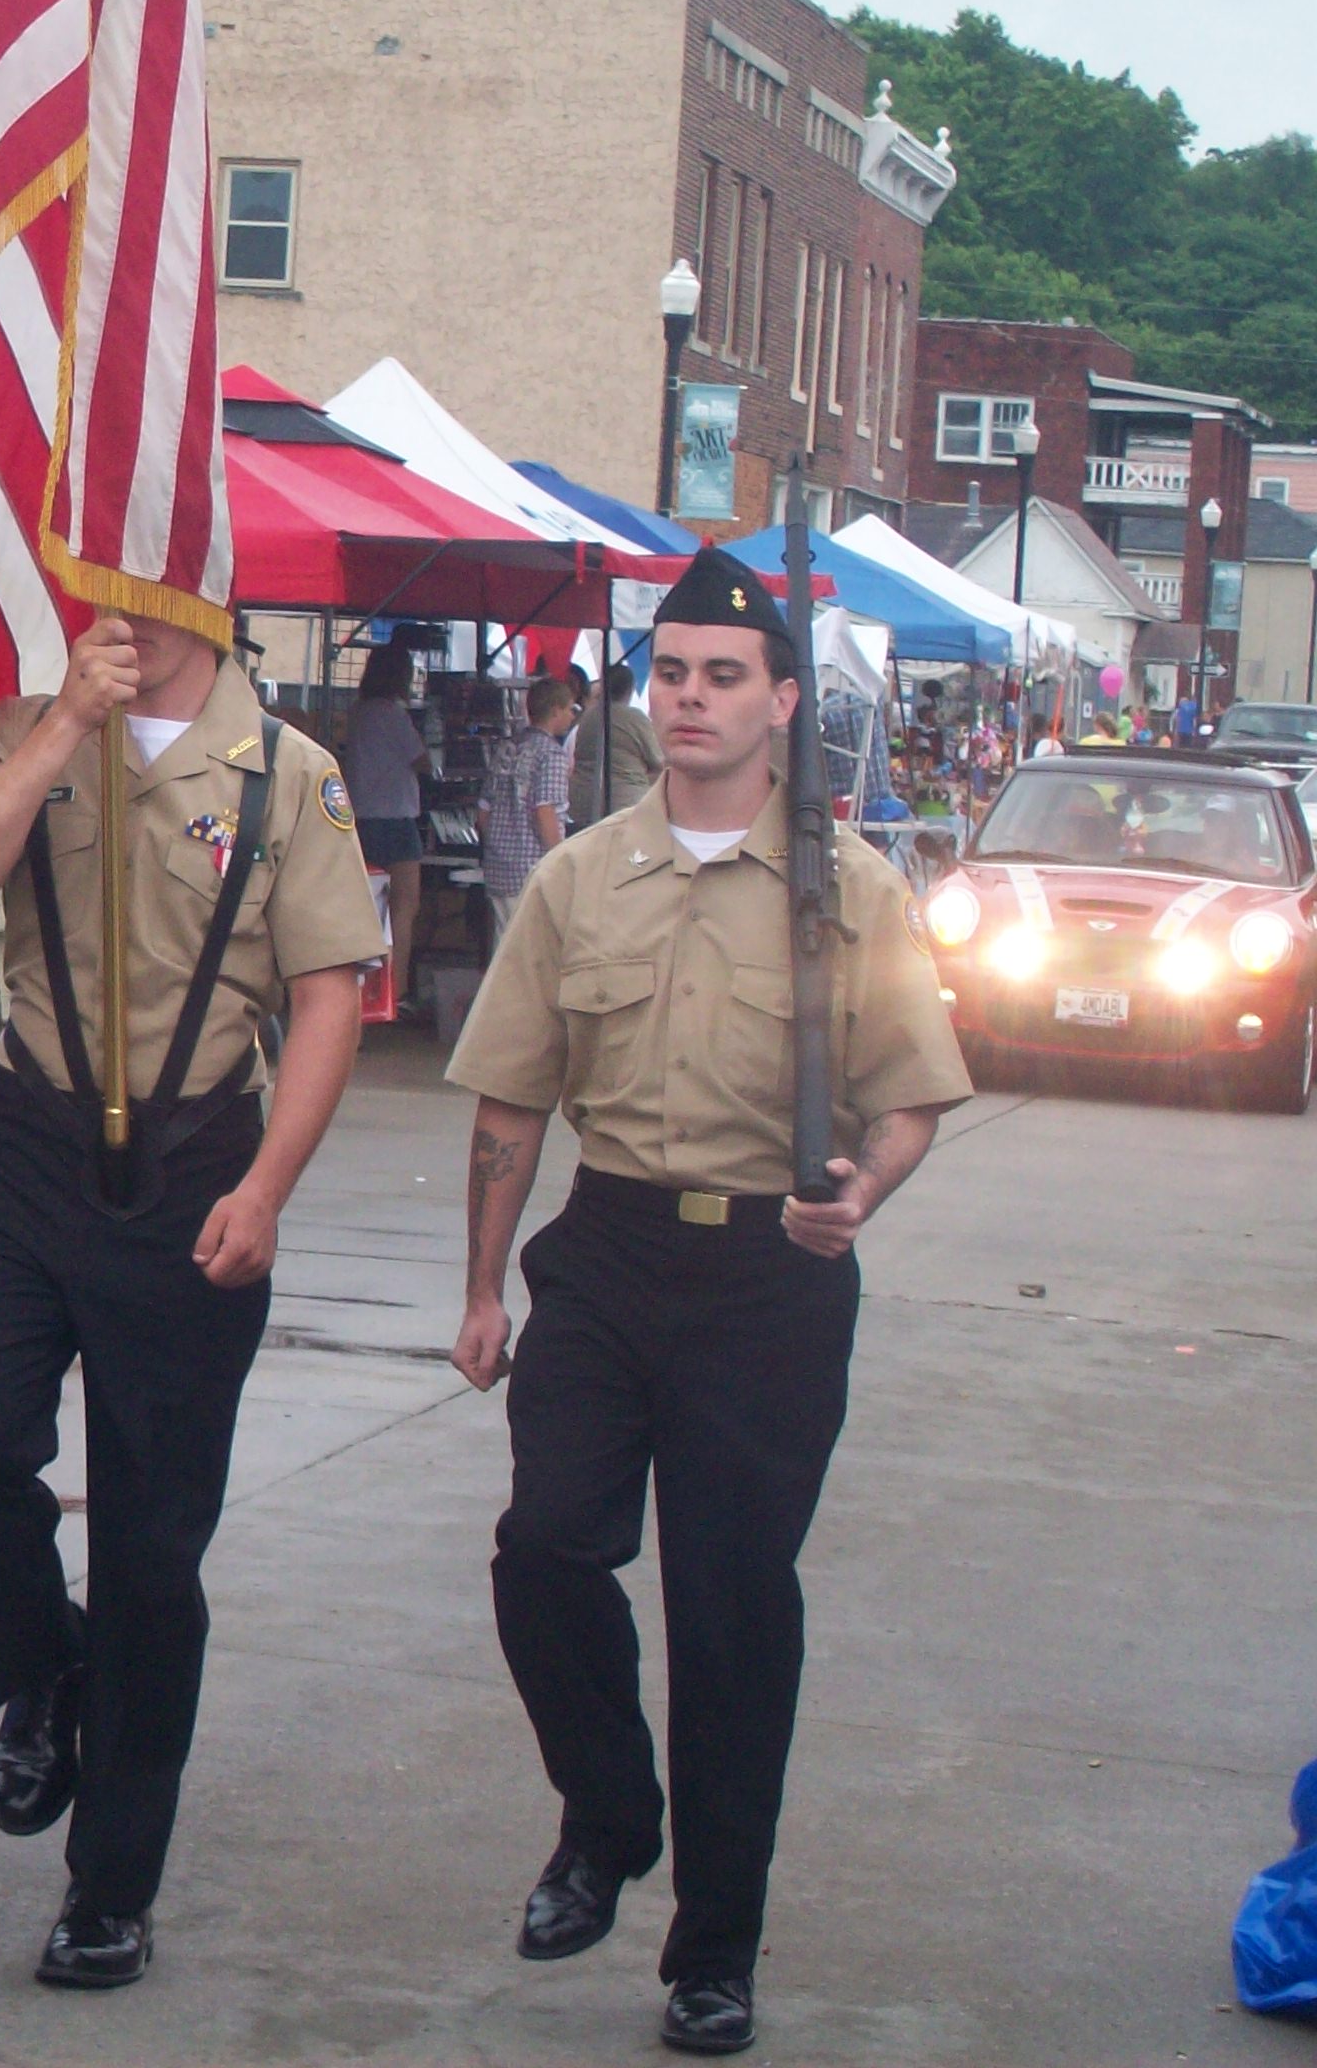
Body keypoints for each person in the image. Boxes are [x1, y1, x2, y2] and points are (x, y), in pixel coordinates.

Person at [443, 543, 970, 2058]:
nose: (688, 698)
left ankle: (713, 1953)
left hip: (769, 1279)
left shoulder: (851, 892)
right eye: (669, 672)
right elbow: (509, 1099)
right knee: (546, 1550)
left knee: (734, 1619)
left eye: (722, 676)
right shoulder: (579, 879)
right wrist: (482, 1288)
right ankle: (608, 1817)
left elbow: (912, 1099)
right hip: (606, 1254)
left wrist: (862, 1190)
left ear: (782, 702)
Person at [0, 612, 383, 1987]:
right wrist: (60, 726)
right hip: (25, 1142)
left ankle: (110, 1884)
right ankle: (47, 1661)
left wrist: (269, 1188)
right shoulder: (21, 730)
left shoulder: (285, 773)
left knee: (153, 1555)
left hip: (191, 1166)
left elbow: (329, 991)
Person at [344, 641, 428, 1014]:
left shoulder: (358, 713)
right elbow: (421, 761)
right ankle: (397, 990)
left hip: (360, 821)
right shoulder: (395, 715)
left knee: (362, 913)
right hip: (397, 821)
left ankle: (362, 992)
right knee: (402, 912)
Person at [478, 674, 577, 941]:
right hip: (532, 869)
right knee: (529, 953)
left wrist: (497, 842)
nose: (572, 716)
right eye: (570, 709)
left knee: (503, 948)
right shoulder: (552, 755)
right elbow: (545, 810)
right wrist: (560, 862)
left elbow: (484, 810)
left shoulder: (507, 748)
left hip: (498, 866)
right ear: (555, 711)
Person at [569, 660, 665, 827]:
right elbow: (658, 761)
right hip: (625, 804)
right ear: (629, 689)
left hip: (583, 803)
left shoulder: (587, 718)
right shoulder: (635, 718)